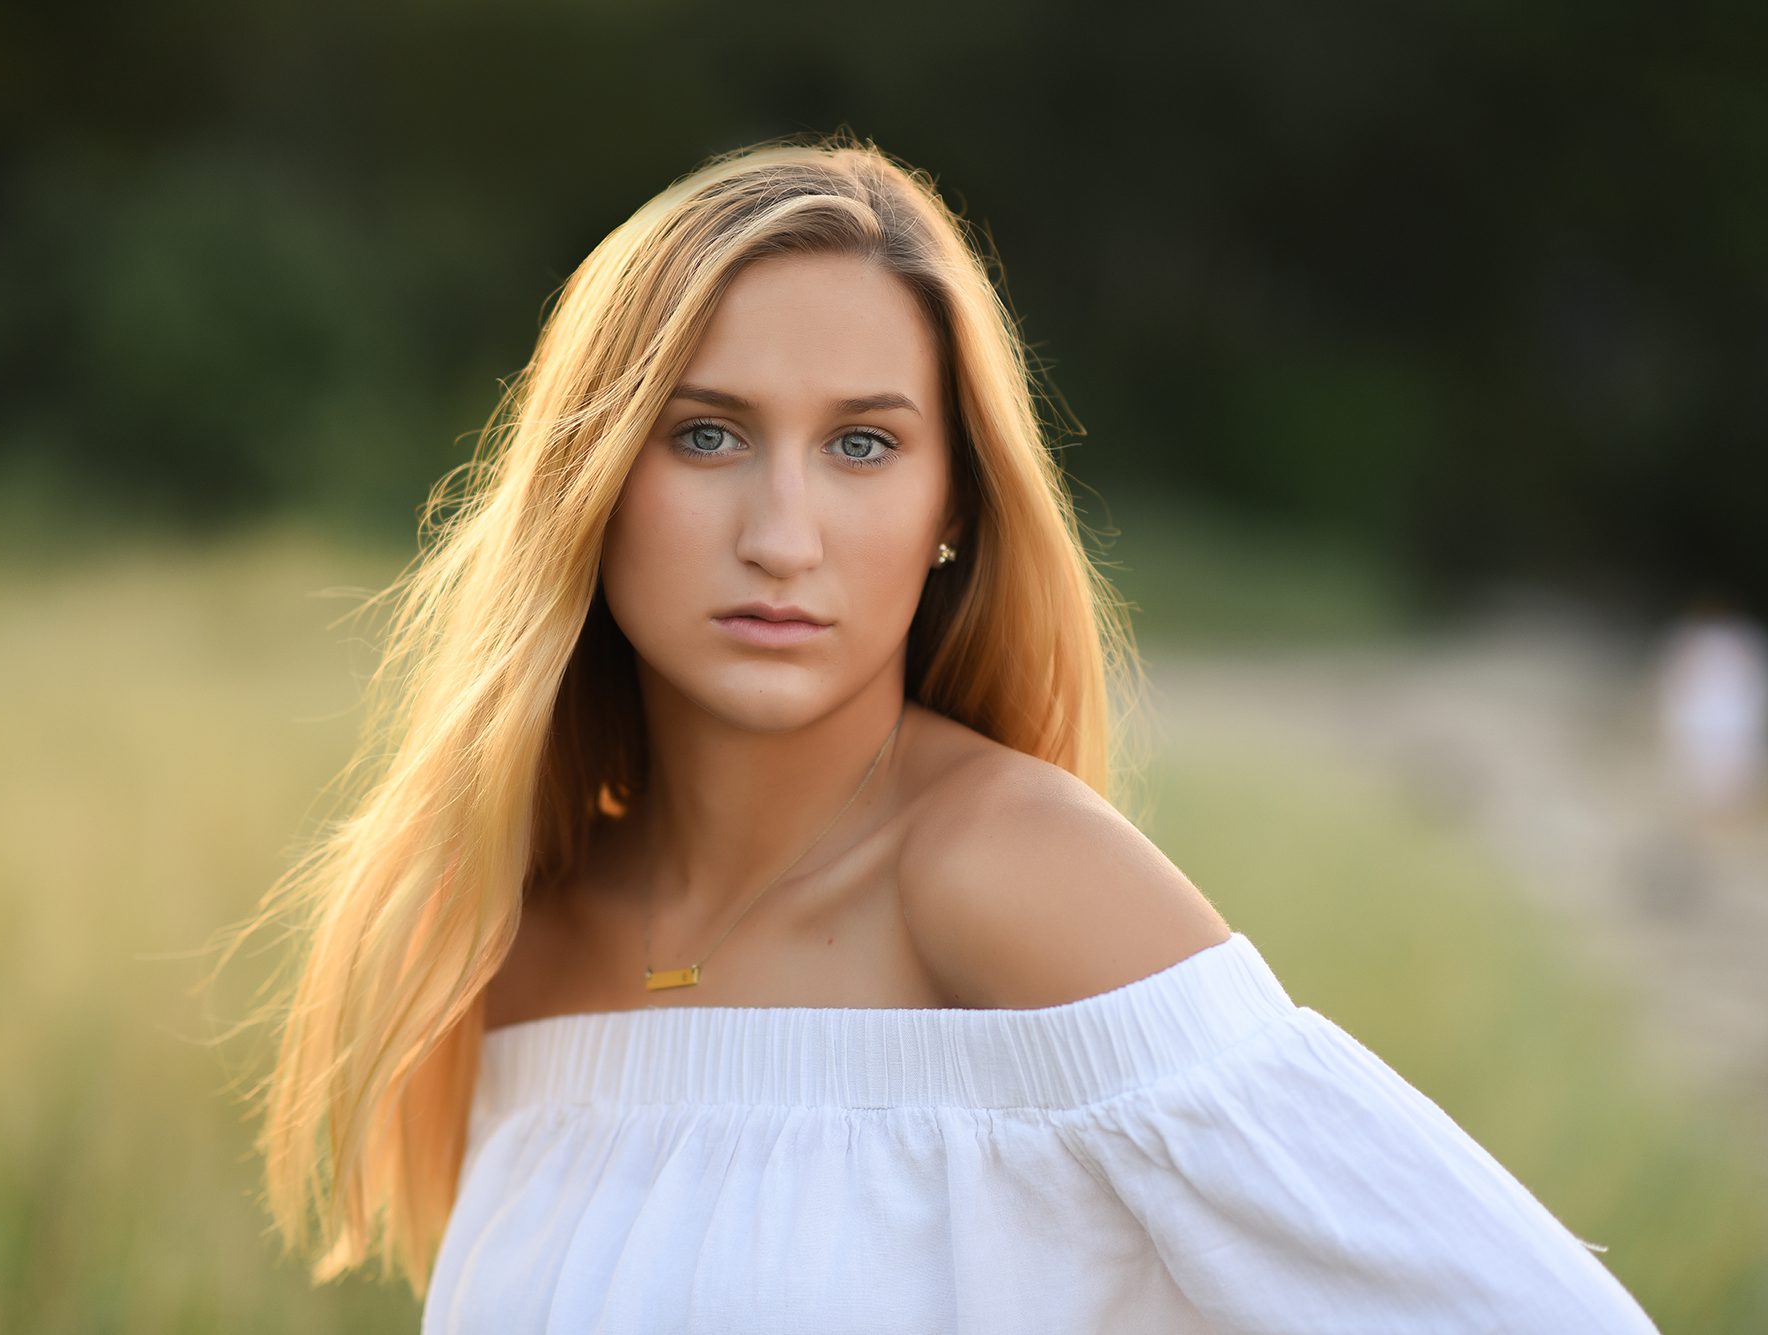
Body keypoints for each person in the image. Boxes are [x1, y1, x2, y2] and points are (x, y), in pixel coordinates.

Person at [222, 131, 1661, 1332]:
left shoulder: (1007, 874)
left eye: (864, 444)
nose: (783, 537)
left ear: (953, 509)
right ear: (592, 480)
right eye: (707, 433)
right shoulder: (521, 945)